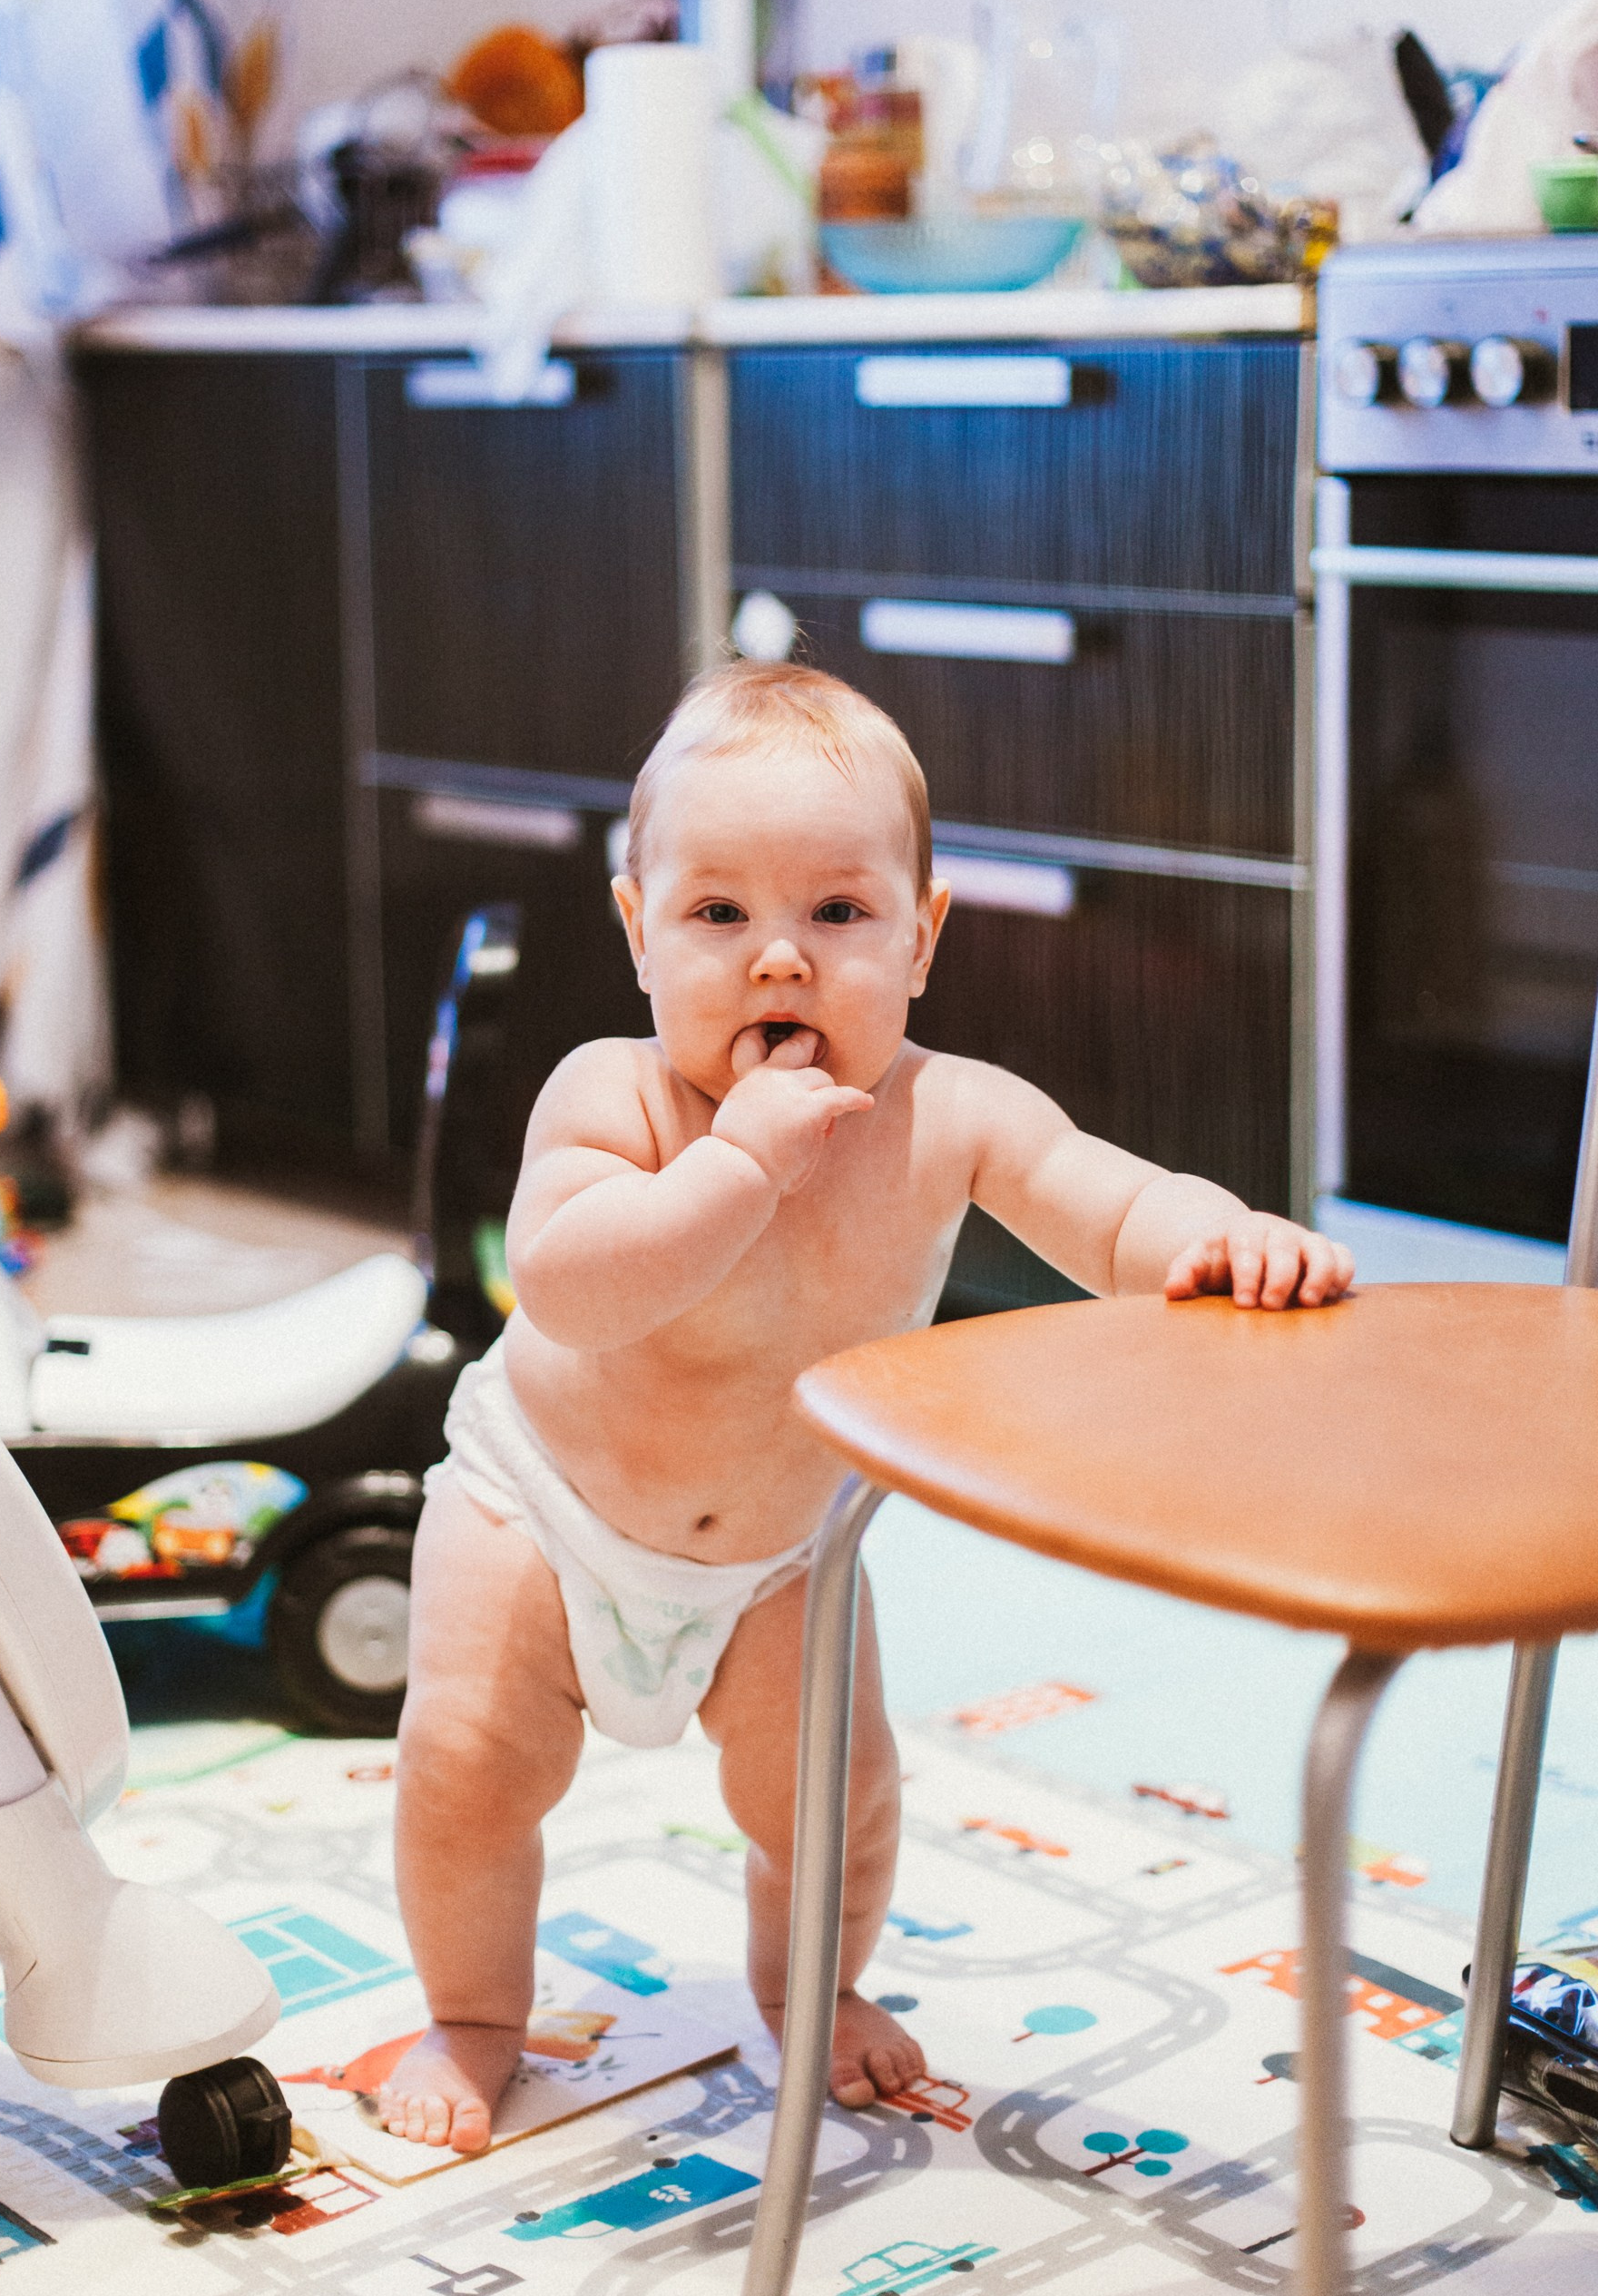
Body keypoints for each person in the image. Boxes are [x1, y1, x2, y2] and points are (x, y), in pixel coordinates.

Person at [381, 661, 1354, 2151]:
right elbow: (570, 1286)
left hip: (781, 1558)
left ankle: (813, 1996)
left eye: (837, 915)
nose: (781, 964)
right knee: (464, 1772)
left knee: (837, 1798)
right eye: (720, 916)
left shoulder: (952, 1115)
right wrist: (740, 1165)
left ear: (923, 936)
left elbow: (1113, 1207)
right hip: (544, 1516)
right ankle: (474, 2016)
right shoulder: (616, 1096)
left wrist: (1218, 1243)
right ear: (639, 931)